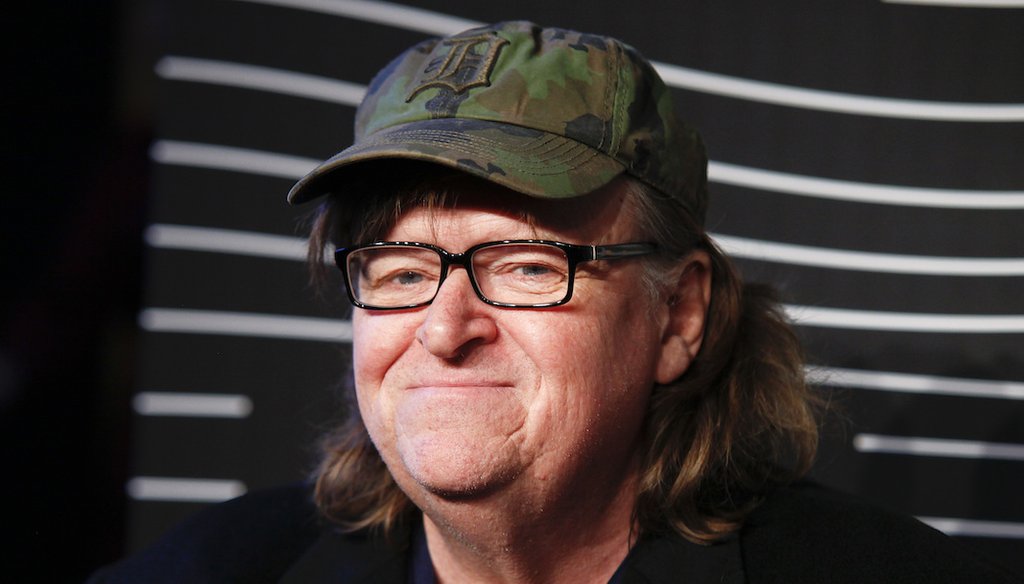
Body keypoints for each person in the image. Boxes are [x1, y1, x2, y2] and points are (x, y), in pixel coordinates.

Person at [91, 20, 1019, 583]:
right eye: (401, 272)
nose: (445, 330)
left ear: (679, 316)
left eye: (528, 265)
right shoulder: (212, 570)